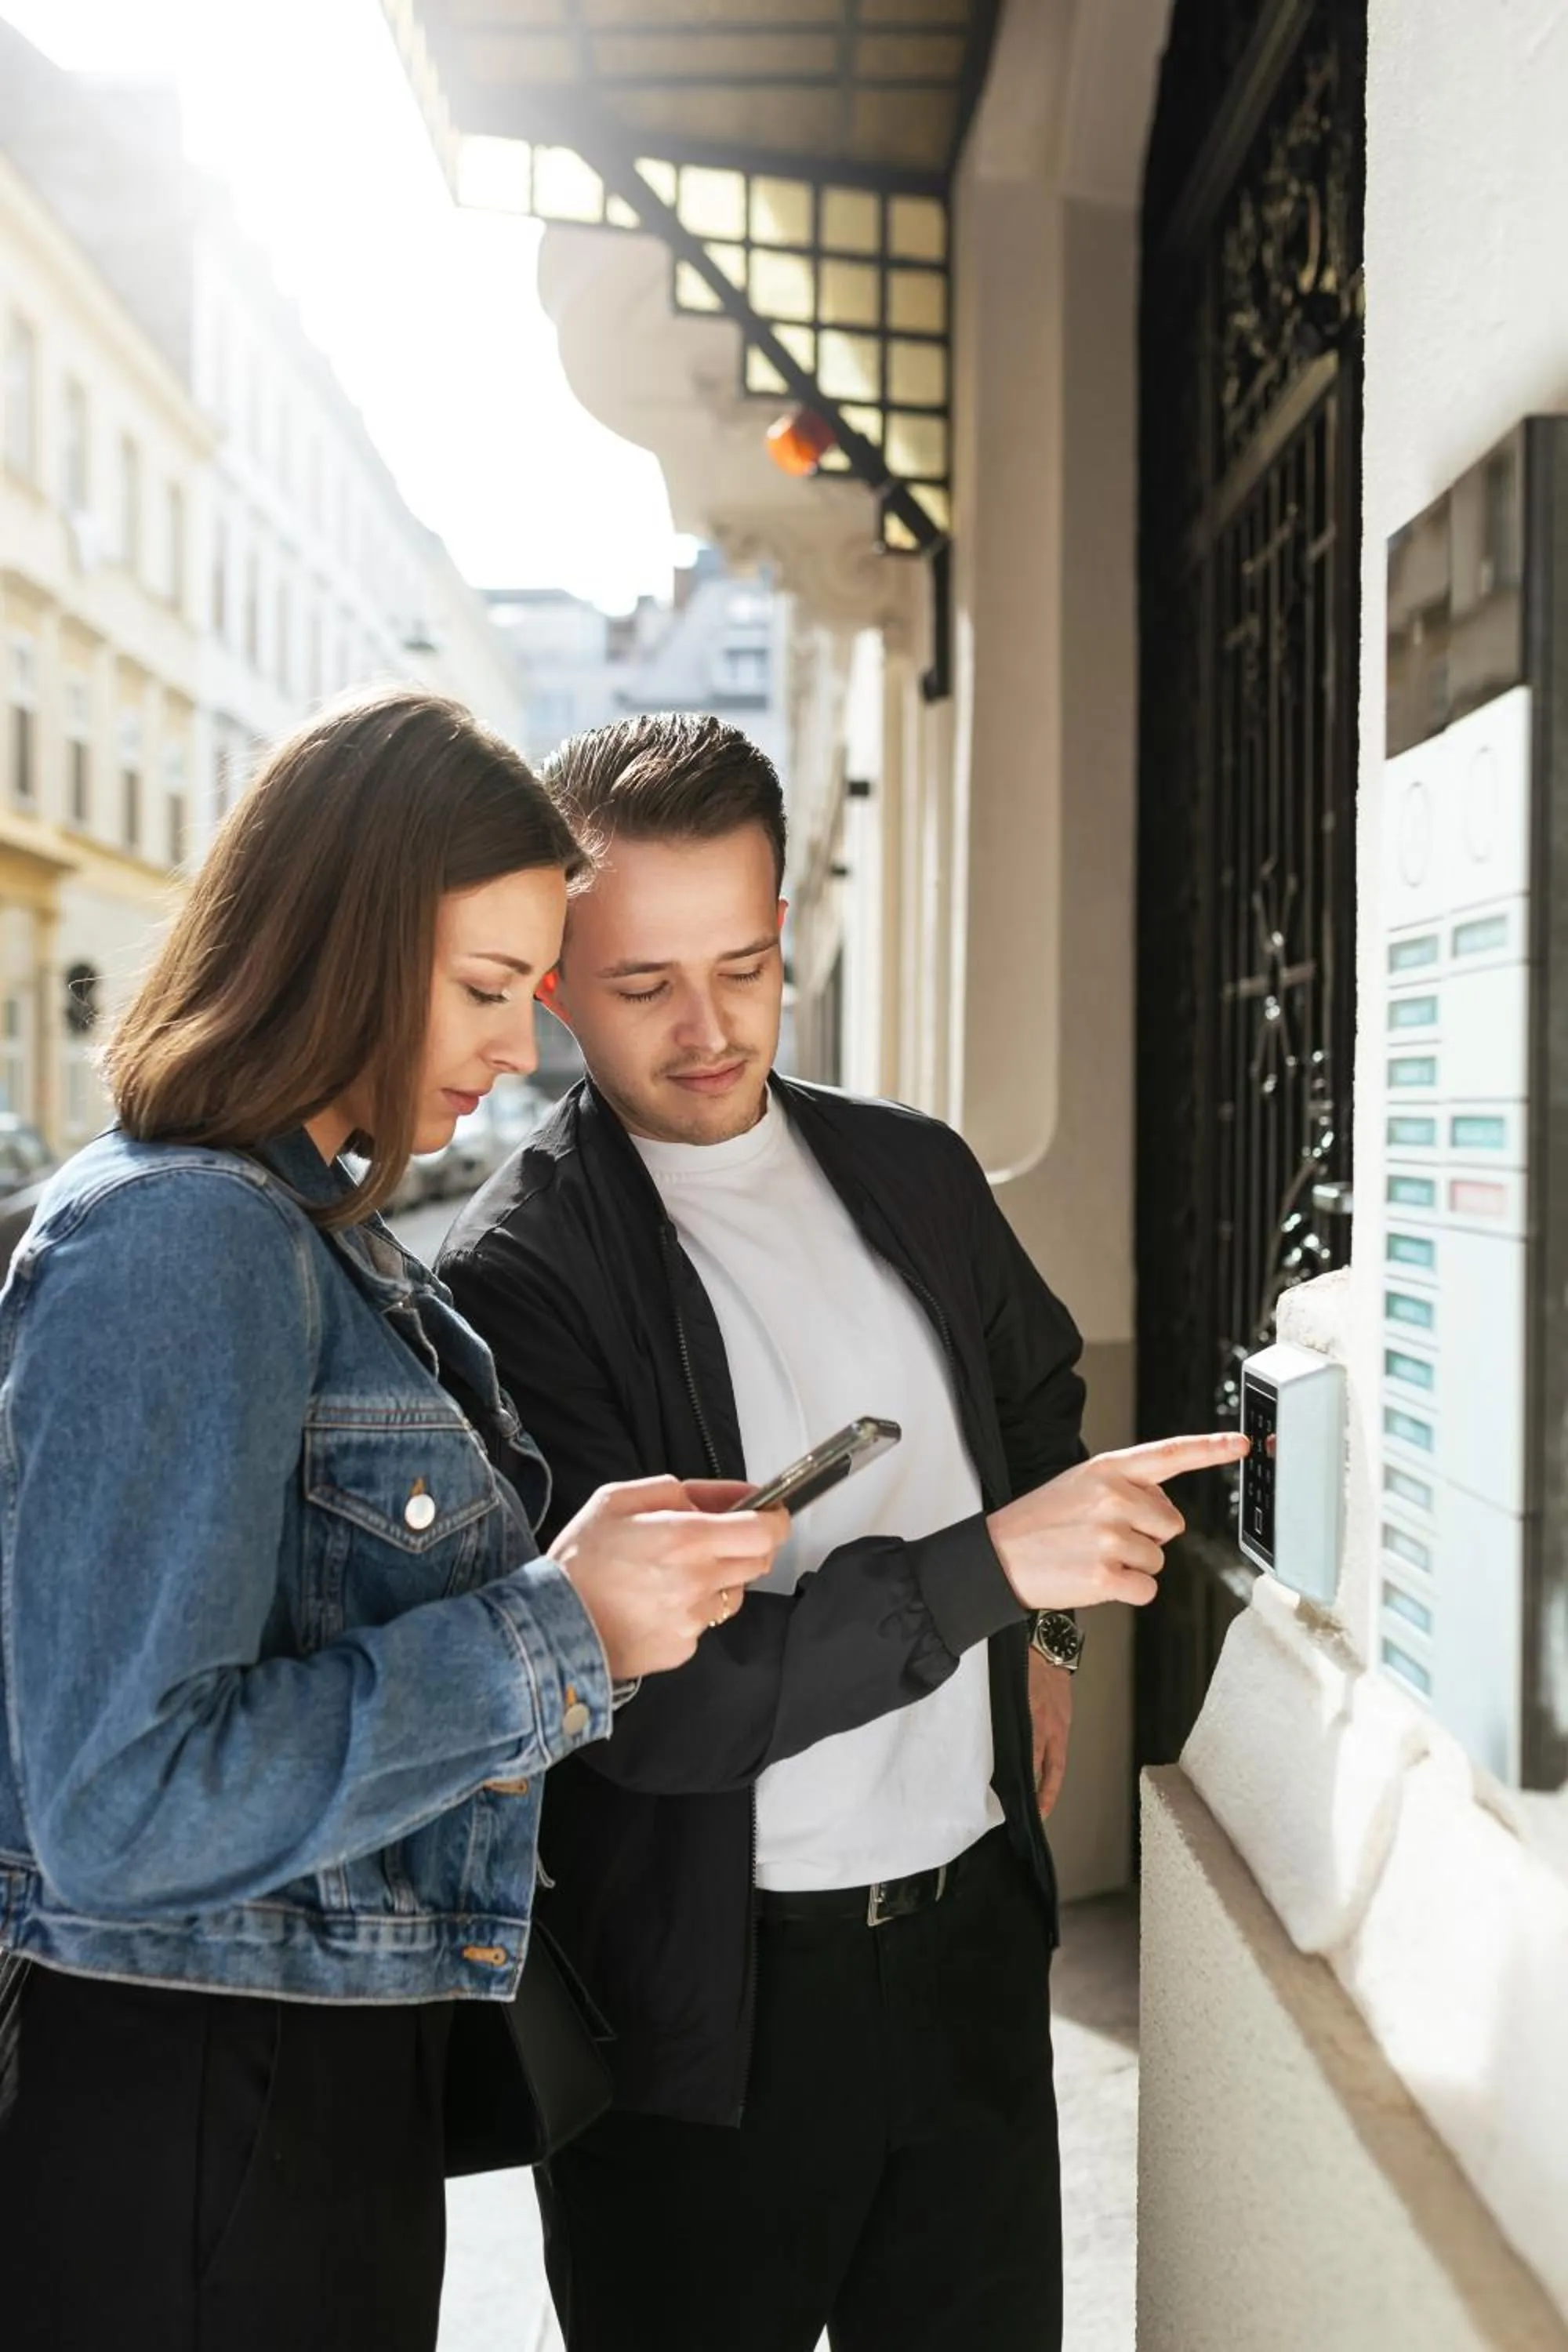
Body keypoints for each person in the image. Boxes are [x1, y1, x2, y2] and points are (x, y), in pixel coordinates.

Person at [440, 712, 1247, 2352]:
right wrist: (986, 1579)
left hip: (964, 1950)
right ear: (551, 984)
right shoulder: (516, 1279)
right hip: (702, 2021)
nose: (707, 1027)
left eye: (741, 966)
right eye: (641, 984)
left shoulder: (911, 1168)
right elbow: (659, 1709)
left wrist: (1048, 1640)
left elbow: (1032, 1402)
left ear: (783, 937)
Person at [0, 688, 786, 2352]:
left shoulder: (310, 1237)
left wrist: (583, 1575)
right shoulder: (186, 1244)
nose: (521, 1050)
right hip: (199, 2114)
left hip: (297, 2087)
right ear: (337, 946)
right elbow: (123, 1806)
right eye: (489, 990)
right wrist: (560, 1634)